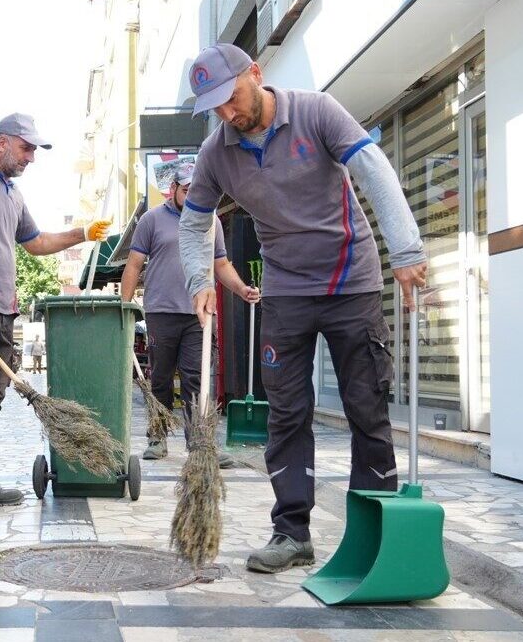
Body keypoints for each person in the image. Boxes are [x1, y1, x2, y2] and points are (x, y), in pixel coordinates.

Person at [177, 44, 426, 574]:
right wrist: (200, 278)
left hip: (349, 282)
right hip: (286, 291)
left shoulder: (316, 111)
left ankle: (374, 529)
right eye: (213, 107)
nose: (226, 114)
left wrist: (406, 251)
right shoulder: (215, 154)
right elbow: (195, 221)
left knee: (366, 407)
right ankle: (292, 532)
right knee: (287, 413)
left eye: (231, 98)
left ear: (256, 75)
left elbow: (374, 169)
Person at [0, 113, 110, 505]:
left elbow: (36, 242)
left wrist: (82, 233)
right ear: (2, 143)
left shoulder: (13, 194)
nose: (31, 157)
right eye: (27, 147)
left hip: (2, 310)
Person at [121, 162, 259, 468]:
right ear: (173, 189)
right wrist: (124, 309)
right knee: (160, 378)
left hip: (200, 313)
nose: (194, 195)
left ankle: (201, 444)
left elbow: (221, 264)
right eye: (187, 190)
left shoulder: (212, 222)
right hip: (161, 310)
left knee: (198, 378)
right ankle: (157, 438)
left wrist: (240, 289)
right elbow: (133, 265)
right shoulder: (151, 220)